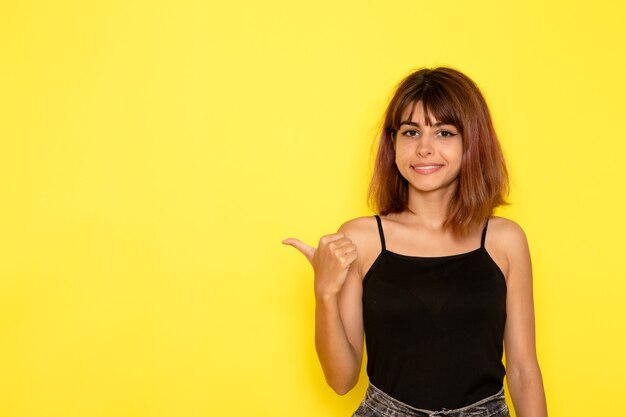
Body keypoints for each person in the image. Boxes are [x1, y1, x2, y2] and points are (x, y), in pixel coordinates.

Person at [282, 67, 548, 417]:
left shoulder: (505, 240)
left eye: (444, 132)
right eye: (411, 132)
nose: (424, 148)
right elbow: (341, 379)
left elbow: (523, 370)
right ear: (393, 143)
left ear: (472, 142)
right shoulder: (361, 239)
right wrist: (324, 293)